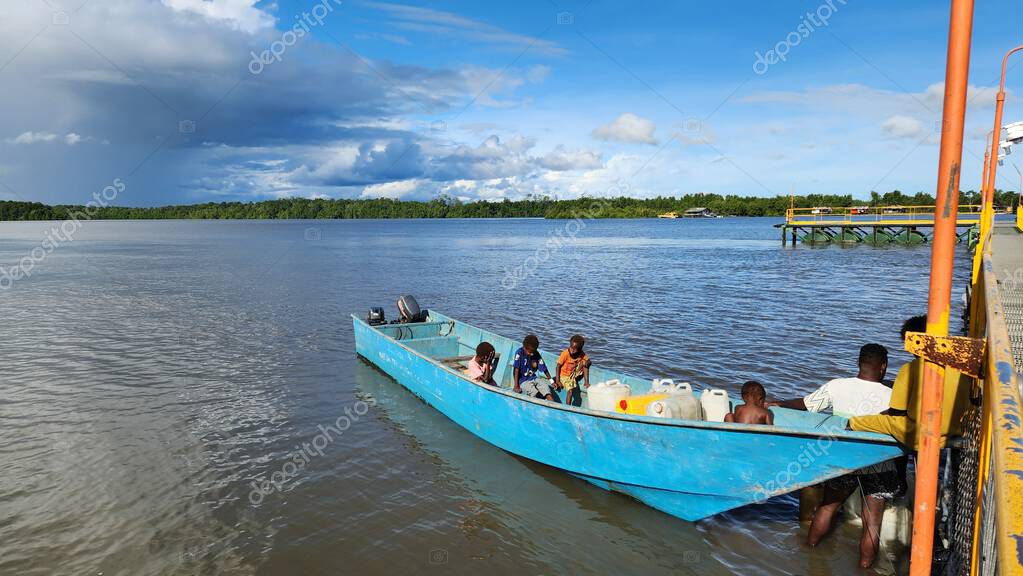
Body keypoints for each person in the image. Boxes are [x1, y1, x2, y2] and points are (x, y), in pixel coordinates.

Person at [769, 343, 902, 569]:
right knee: (872, 524)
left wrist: (780, 403)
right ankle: (864, 567)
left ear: (859, 363)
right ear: (883, 367)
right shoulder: (893, 396)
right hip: (878, 461)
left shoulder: (837, 386)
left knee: (828, 507)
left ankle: (810, 551)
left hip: (844, 458)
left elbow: (806, 405)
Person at [848, 315, 973, 450]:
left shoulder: (910, 369)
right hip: (954, 429)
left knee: (880, 421)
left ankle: (850, 424)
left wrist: (884, 414)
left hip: (919, 434)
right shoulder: (960, 366)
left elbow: (897, 413)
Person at [512, 334, 559, 402]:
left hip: (533, 378)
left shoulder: (536, 353)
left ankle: (551, 403)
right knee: (533, 392)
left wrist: (551, 381)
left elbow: (544, 368)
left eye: (533, 352)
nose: (532, 354)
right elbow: (516, 369)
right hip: (522, 381)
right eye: (530, 352)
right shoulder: (519, 353)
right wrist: (516, 386)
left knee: (545, 387)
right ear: (524, 347)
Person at [555, 334, 591, 407]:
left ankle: (586, 382)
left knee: (585, 363)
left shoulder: (581, 354)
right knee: (570, 391)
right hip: (564, 376)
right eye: (571, 347)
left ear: (580, 350)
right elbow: (558, 366)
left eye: (574, 349)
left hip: (573, 374)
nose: (572, 350)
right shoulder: (565, 353)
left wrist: (588, 362)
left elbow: (588, 361)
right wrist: (558, 380)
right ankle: (567, 408)